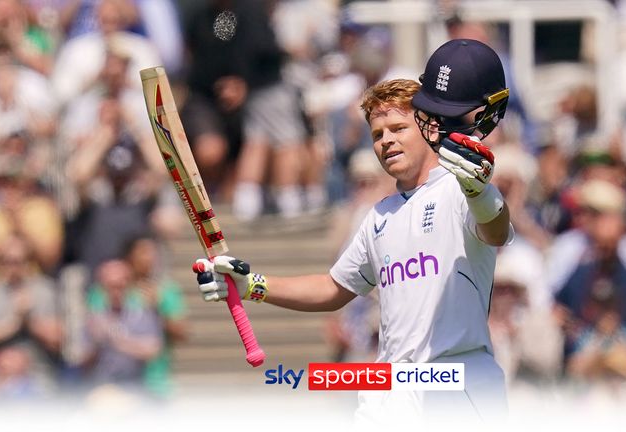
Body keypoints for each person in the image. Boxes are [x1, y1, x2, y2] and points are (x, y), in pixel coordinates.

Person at [194, 39, 513, 425]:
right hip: (394, 383)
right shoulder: (378, 215)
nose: (386, 141)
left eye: (398, 128)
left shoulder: (459, 188)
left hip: (459, 380)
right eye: (377, 134)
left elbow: (495, 231)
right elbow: (333, 289)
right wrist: (252, 286)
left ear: (429, 127)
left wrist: (479, 191)